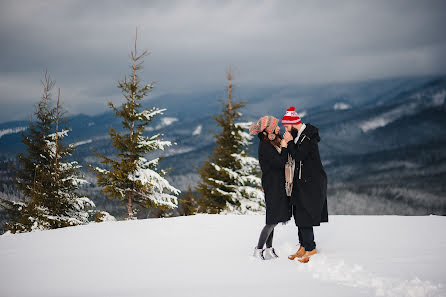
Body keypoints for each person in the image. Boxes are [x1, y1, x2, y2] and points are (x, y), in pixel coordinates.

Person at [281, 107, 328, 263]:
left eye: (287, 127)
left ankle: (310, 248)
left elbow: (300, 155)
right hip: (302, 182)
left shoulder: (307, 137)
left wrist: (288, 143)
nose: (286, 130)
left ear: (294, 125)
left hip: (310, 183)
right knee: (299, 214)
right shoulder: (300, 136)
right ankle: (303, 245)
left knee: (305, 215)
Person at [249, 116, 291, 260]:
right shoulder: (265, 146)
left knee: (274, 218)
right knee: (272, 219)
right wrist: (285, 147)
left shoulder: (271, 142)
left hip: (276, 184)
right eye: (276, 126)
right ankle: (258, 249)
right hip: (272, 185)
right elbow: (280, 163)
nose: (278, 128)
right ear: (268, 130)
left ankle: (269, 249)